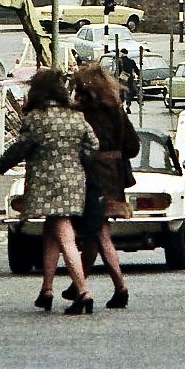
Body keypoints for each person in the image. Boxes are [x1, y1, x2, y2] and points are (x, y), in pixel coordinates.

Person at [0, 67, 98, 314]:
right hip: (74, 182)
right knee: (51, 231)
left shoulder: (36, 118)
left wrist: (0, 166)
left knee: (65, 236)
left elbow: (22, 147)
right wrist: (75, 160)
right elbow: (92, 147)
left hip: (46, 183)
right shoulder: (76, 117)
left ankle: (84, 291)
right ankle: (47, 290)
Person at [66, 62, 137, 310]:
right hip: (115, 178)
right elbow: (133, 146)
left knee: (99, 233)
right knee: (97, 232)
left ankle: (119, 287)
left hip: (91, 178)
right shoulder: (117, 111)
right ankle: (78, 284)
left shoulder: (80, 114)